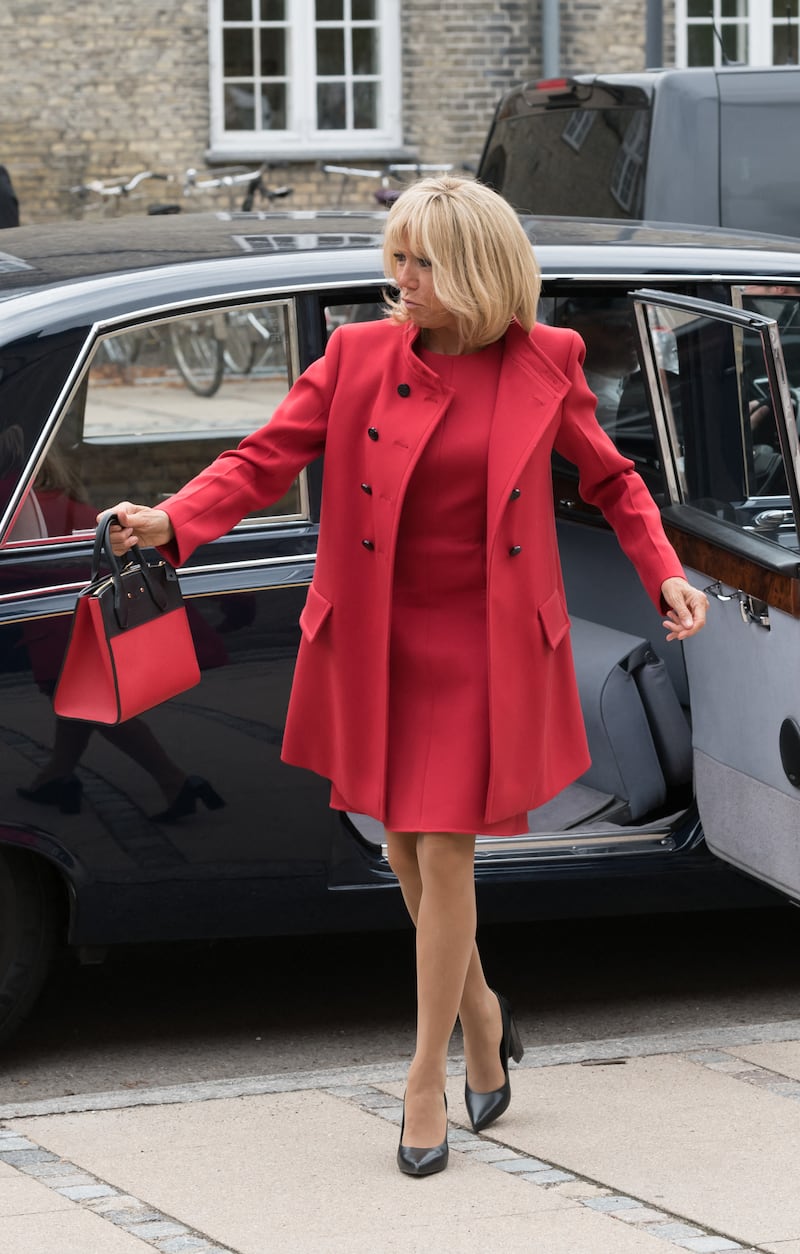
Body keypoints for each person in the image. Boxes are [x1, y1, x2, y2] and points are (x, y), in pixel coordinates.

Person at [103, 175, 708, 1177]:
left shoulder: (543, 361)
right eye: (396, 256)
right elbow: (264, 457)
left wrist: (663, 572)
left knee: (442, 850)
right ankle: (480, 1012)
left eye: (420, 261)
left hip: (487, 643)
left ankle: (423, 1079)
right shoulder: (357, 356)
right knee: (400, 852)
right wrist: (177, 522)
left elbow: (608, 476)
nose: (399, 279)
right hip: (378, 632)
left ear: (474, 270)